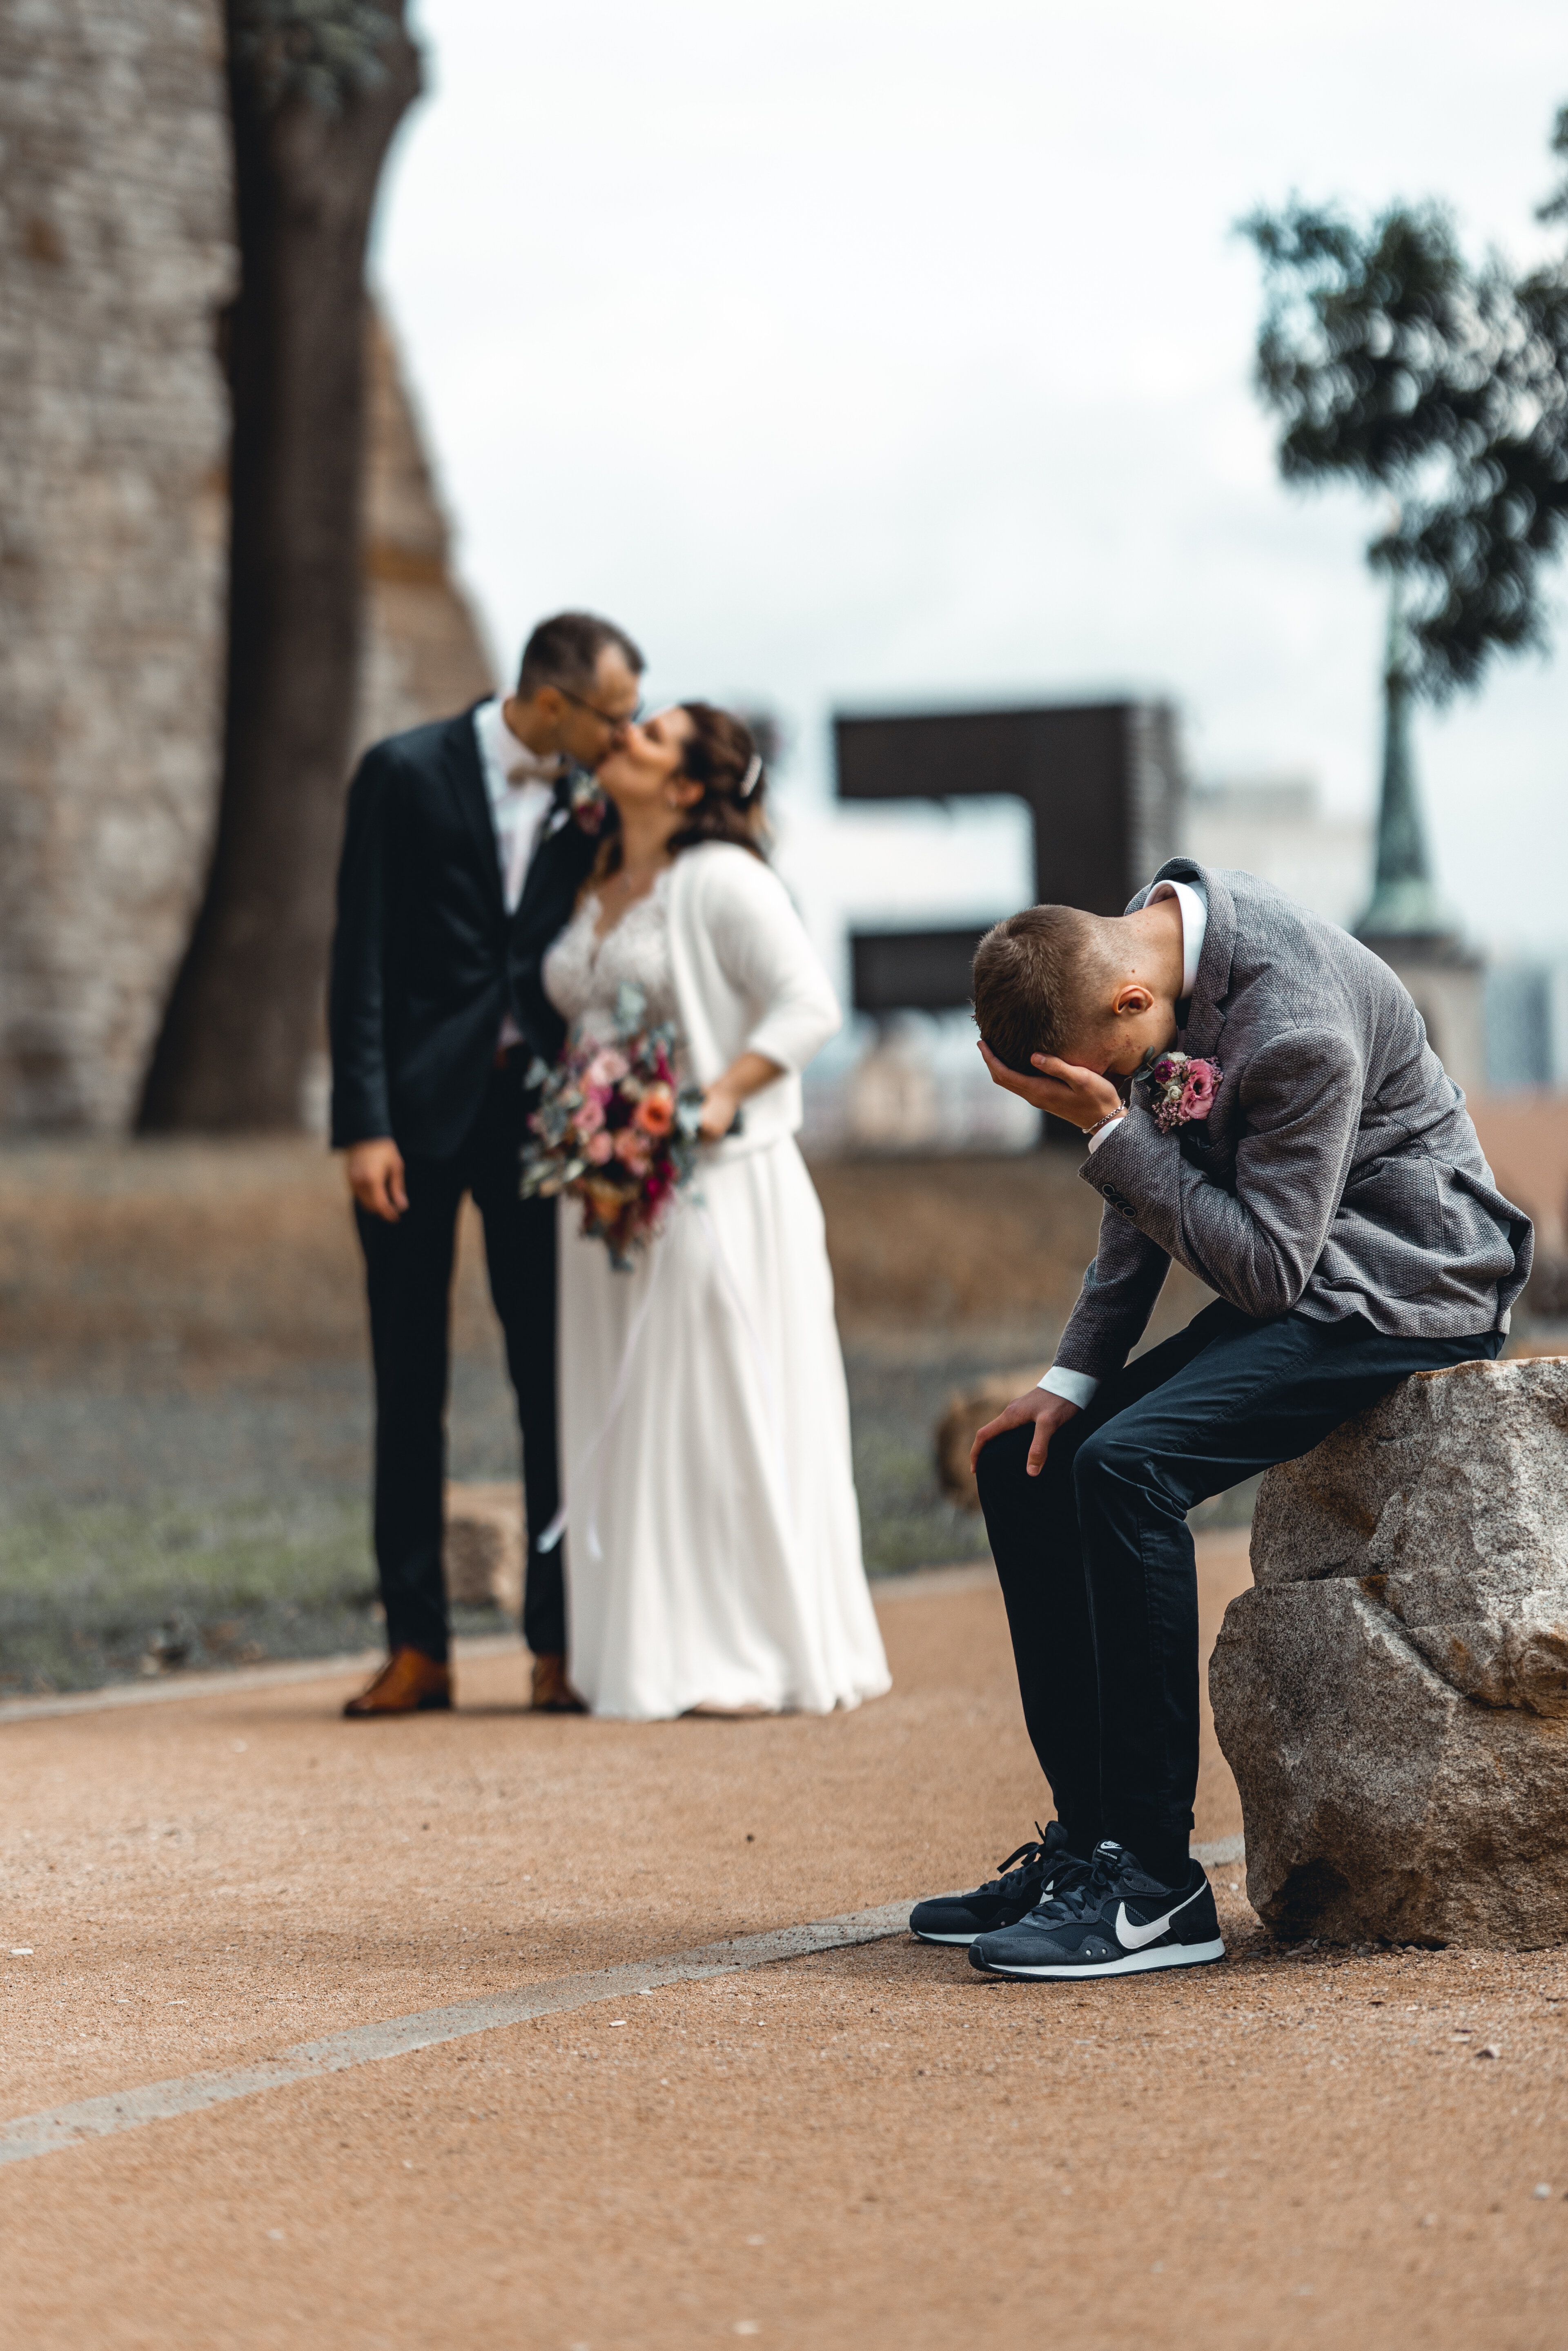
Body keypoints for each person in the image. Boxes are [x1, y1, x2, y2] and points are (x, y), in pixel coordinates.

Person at [909, 858, 1531, 1980]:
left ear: (1133, 1004)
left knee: (1129, 1470)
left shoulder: (1294, 1025)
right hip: (1311, 1267)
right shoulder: (1156, 967)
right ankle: (1093, 1842)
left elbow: (1263, 1270)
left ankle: (1156, 1884)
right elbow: (1147, 1193)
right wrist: (1072, 1377)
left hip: (1407, 1275)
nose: (1120, 1094)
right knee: (1030, 1463)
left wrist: (1117, 1139)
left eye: (1114, 1075)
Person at [541, 702, 891, 1719]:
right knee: (624, 1399)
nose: (626, 737)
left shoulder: (726, 880)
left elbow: (807, 1004)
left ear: (690, 787)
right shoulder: (600, 877)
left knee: (711, 1401)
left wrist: (718, 1096)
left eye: (651, 737)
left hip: (718, 1187)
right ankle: (640, 1652)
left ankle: (745, 1648)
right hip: (609, 1190)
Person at [329, 611, 645, 1717]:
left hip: (540, 1126)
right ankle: (418, 1643)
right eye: (615, 713)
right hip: (409, 1126)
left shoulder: (593, 795)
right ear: (551, 700)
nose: (628, 733)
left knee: (549, 1379)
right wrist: (360, 1122)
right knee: (407, 1381)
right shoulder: (402, 773)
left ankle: (558, 1641)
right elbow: (357, 956)